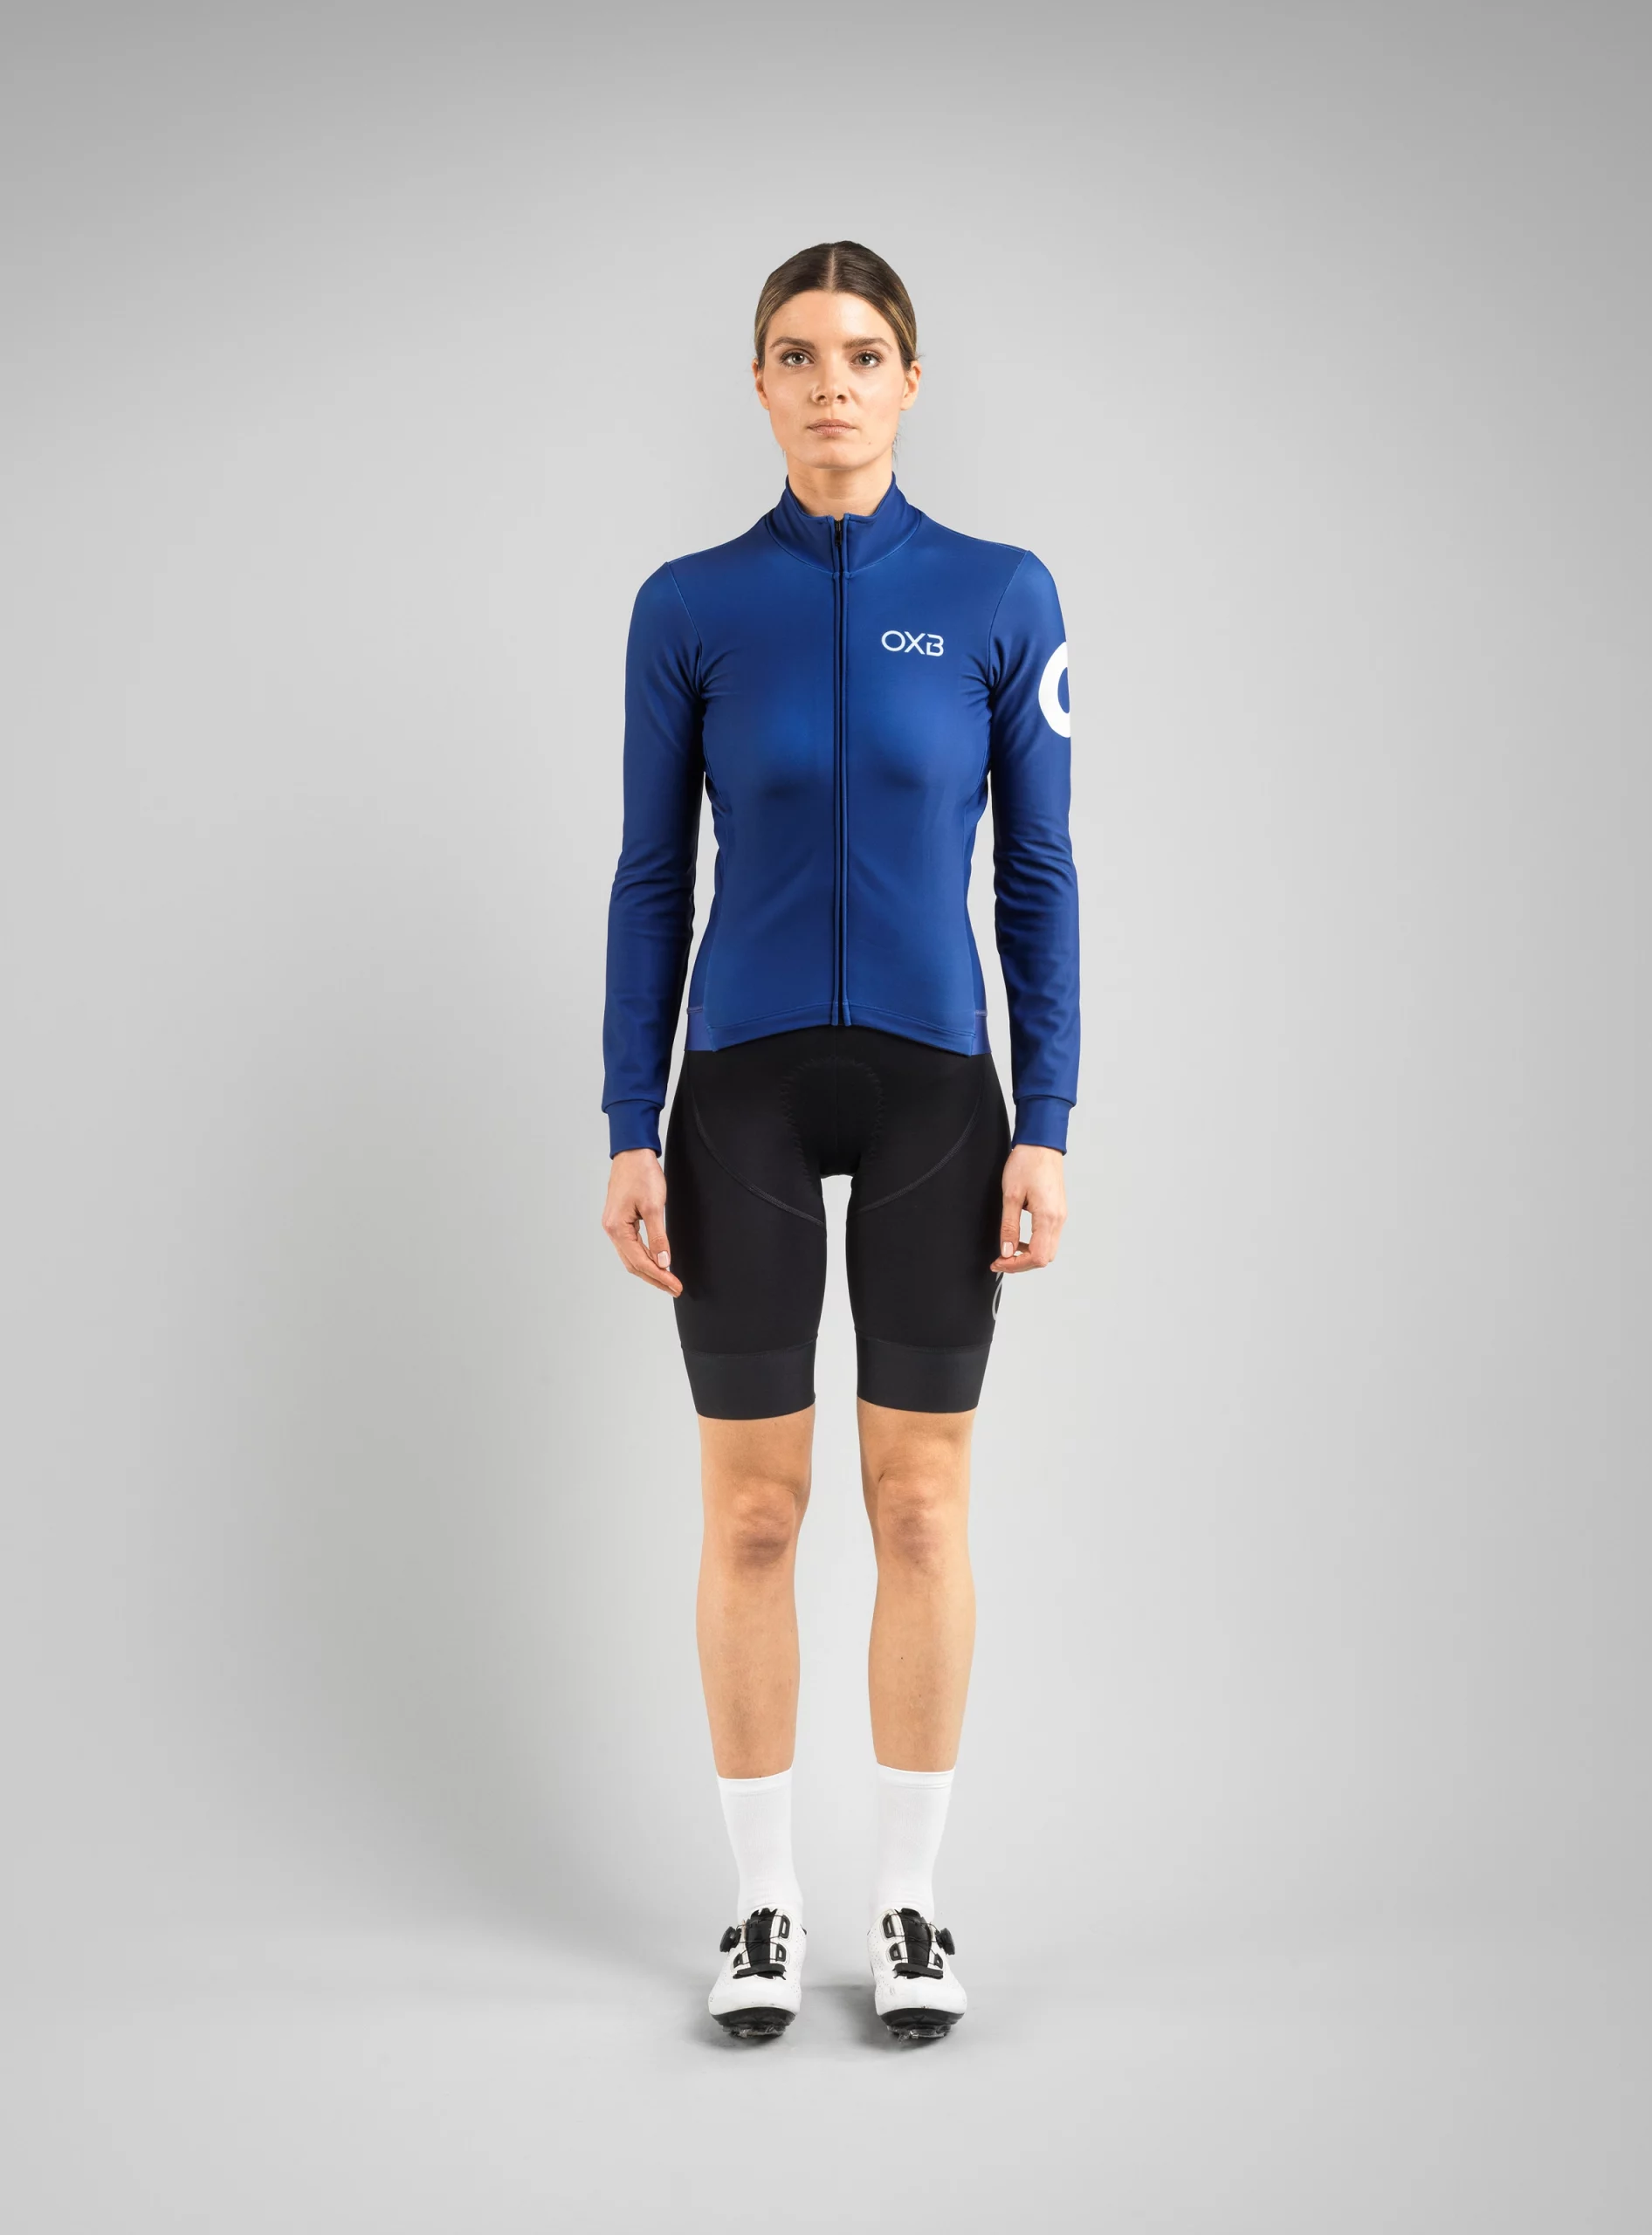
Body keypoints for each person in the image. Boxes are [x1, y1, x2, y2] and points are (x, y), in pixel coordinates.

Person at [599, 241, 1080, 2041]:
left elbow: (1040, 875)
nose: (831, 385)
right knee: (753, 1514)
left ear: (910, 381)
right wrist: (625, 1121)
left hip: (940, 1088)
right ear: (759, 385)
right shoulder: (689, 606)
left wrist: (1052, 1119)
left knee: (921, 1501)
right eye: (797, 356)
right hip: (737, 1085)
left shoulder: (1000, 593)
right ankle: (762, 1904)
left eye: (863, 354)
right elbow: (652, 876)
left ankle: (911, 1902)